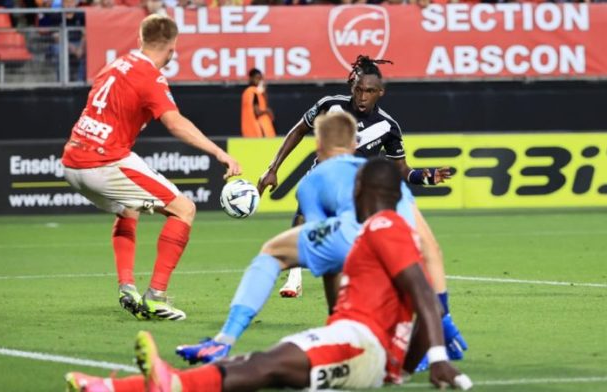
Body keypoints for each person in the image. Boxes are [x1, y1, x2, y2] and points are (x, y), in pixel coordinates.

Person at [64, 158, 473, 392]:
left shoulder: (384, 227)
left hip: (360, 344)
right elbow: (428, 304)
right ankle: (113, 388)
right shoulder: (378, 233)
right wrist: (403, 367)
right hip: (364, 347)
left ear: (362, 189)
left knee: (267, 366)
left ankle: (154, 387)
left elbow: (422, 292)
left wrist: (432, 359)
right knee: (258, 364)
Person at [175, 112, 438, 364]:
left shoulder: (314, 180)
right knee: (397, 275)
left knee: (273, 251)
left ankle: (224, 339)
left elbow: (323, 249)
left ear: (319, 143)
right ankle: (428, 347)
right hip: (397, 240)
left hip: (350, 236)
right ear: (354, 143)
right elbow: (427, 243)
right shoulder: (386, 175)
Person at [61, 14, 241, 321]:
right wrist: (218, 152)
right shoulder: (150, 76)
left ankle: (127, 287)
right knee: (184, 209)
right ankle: (156, 297)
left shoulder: (115, 64)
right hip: (103, 161)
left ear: (140, 39)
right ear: (172, 47)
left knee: (128, 209)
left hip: (71, 160)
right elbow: (175, 123)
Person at [260, 55, 450, 305]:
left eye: (369, 91)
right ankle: (295, 277)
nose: (362, 96)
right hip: (321, 180)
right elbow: (298, 130)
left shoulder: (388, 126)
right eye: (358, 89)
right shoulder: (331, 105)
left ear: (380, 92)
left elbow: (401, 169)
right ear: (352, 86)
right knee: (304, 217)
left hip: (355, 190)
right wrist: (273, 167)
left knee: (354, 250)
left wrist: (426, 177)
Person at [240, 68, 276, 138]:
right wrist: (267, 111)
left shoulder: (247, 92)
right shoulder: (253, 91)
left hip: (248, 132)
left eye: (261, 79)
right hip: (257, 132)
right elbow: (257, 111)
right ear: (251, 78)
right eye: (257, 78)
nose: (259, 81)